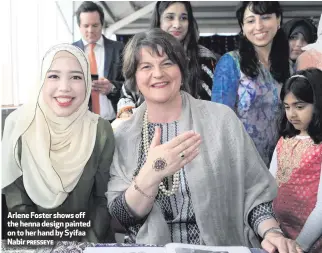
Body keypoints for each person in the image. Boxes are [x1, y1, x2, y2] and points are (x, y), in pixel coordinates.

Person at [107, 28, 302, 253]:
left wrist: (271, 233)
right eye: (146, 66)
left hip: (221, 247)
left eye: (168, 63)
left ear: (182, 69)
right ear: (134, 78)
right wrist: (151, 172)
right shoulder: (123, 136)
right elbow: (122, 216)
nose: (158, 73)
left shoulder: (221, 120)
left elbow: (254, 194)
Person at [2, 44, 115, 243]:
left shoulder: (100, 131)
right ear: (41, 81)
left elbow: (103, 200)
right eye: (53, 76)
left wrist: (81, 246)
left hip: (90, 244)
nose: (64, 87)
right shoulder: (20, 127)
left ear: (88, 82)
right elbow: (17, 205)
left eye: (76, 77)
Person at [211, 1, 291, 167]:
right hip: (240, 163)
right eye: (250, 20)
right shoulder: (231, 63)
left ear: (279, 20)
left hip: (279, 163)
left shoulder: (289, 66)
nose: (259, 26)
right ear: (242, 27)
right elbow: (218, 119)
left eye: (266, 17)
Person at [116, 1, 217, 119]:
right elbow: (128, 92)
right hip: (145, 129)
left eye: (183, 18)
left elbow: (207, 104)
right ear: (159, 20)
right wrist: (127, 113)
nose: (177, 24)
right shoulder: (142, 51)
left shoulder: (203, 57)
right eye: (170, 17)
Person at [270, 68, 322, 253]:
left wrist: (300, 245)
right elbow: (269, 187)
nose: (291, 114)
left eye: (299, 107)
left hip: (310, 240)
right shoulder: (284, 141)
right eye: (286, 107)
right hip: (281, 236)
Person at [73, 1, 124, 121]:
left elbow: (131, 84)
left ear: (102, 24)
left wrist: (112, 88)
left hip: (114, 121)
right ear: (79, 26)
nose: (90, 30)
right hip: (81, 122)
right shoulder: (71, 52)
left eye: (95, 25)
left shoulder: (119, 49)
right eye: (86, 26)